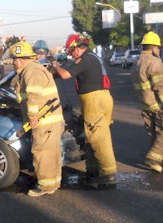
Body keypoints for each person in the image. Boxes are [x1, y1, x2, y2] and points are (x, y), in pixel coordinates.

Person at [49, 33, 117, 187]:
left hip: (94, 100)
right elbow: (70, 71)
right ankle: (93, 170)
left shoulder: (84, 59)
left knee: (98, 138)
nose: (71, 55)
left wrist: (54, 65)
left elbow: (65, 75)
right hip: (102, 98)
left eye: (71, 51)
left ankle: (109, 174)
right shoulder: (92, 57)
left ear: (76, 48)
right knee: (92, 135)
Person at [8, 41, 65, 197]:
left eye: (14, 59)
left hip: (43, 120)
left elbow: (33, 97)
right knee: (50, 153)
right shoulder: (33, 69)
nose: (13, 63)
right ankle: (52, 183)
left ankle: (45, 186)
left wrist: (32, 117)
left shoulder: (31, 72)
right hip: (49, 120)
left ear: (19, 59)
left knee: (42, 152)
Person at [131, 31, 163, 173]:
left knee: (153, 132)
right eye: (159, 47)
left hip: (145, 104)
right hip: (158, 104)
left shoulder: (138, 61)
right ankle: (154, 158)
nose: (159, 50)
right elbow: (160, 85)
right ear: (155, 48)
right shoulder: (154, 62)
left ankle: (156, 156)